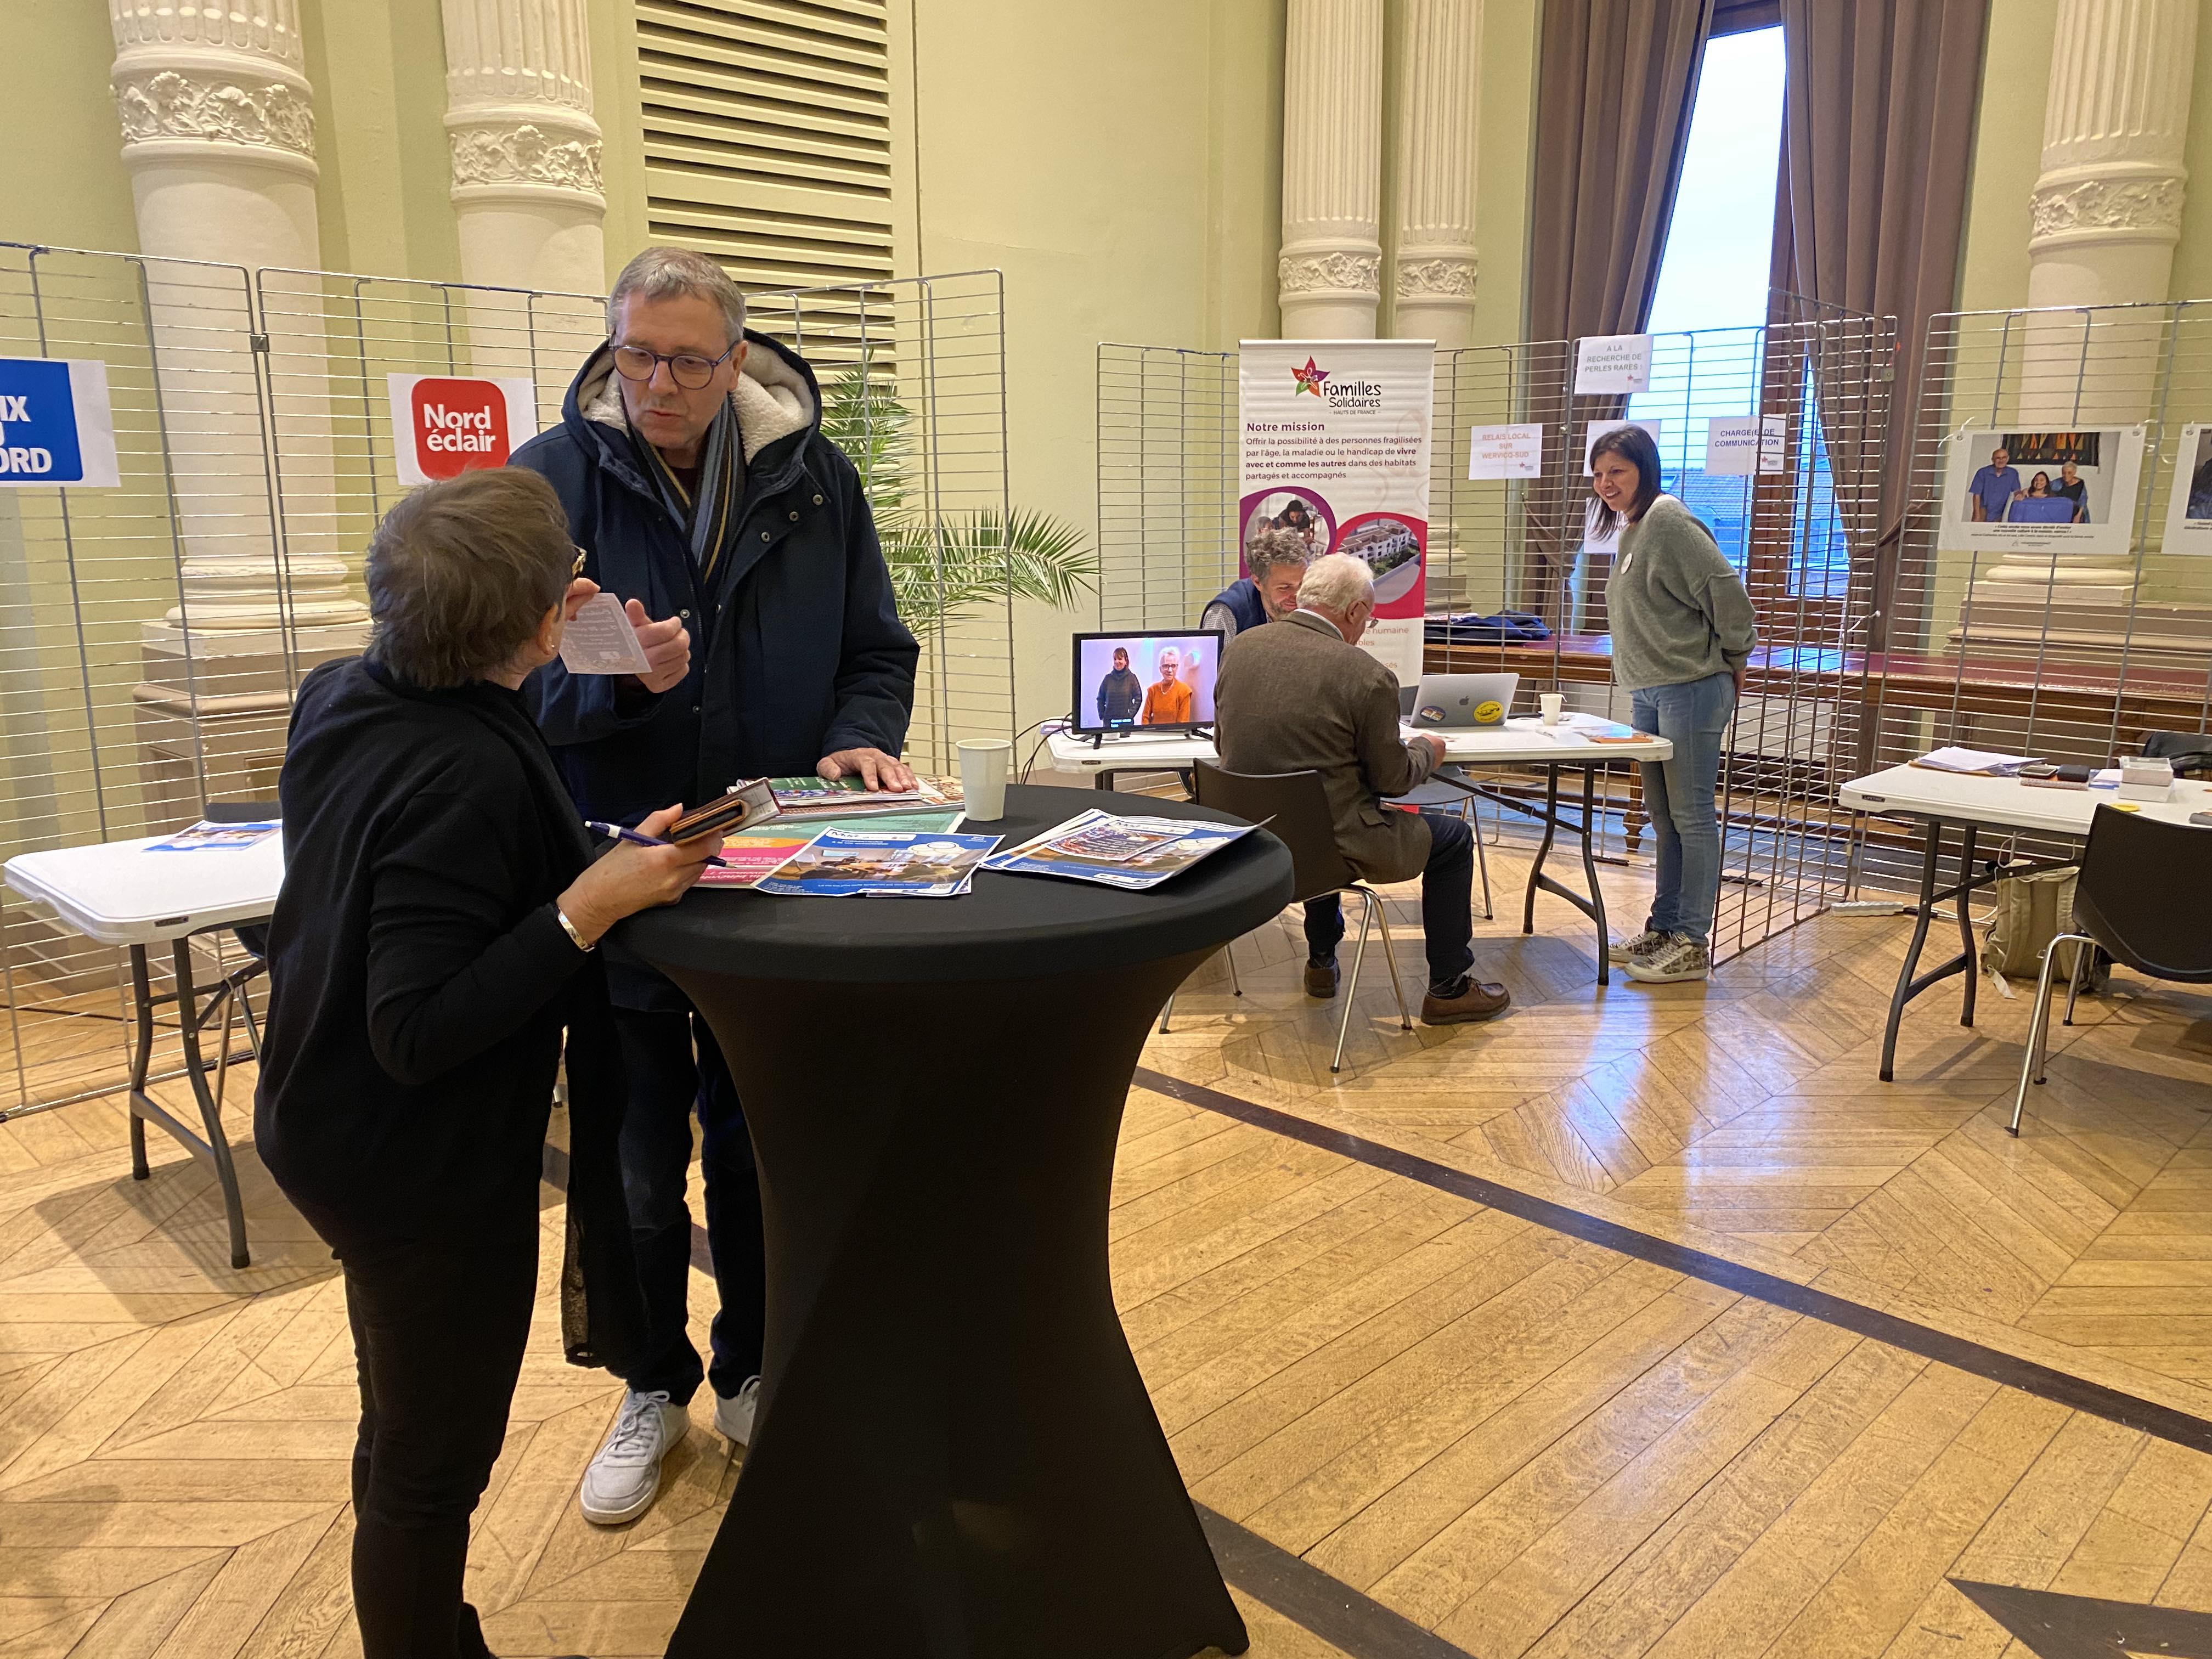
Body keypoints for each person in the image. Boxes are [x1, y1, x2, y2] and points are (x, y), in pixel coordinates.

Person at [255, 469, 724, 1659]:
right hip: (413, 1166)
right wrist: (587, 905)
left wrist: (594, 855)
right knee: (430, 1469)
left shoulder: (343, 691)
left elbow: (433, 874)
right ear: (547, 617)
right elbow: (416, 1026)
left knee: (400, 1426)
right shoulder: (462, 771)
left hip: (320, 1113)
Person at [511, 246, 919, 1525]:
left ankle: (752, 1367)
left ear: (737, 360)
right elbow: (501, 680)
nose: (661, 385)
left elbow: (875, 649)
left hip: (770, 879)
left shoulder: (814, 477)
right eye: (639, 356)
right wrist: (616, 686)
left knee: (761, 1153)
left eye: (690, 362)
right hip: (619, 873)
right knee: (636, 1167)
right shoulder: (548, 480)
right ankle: (651, 1385)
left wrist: (859, 736)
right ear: (612, 348)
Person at [1214, 552, 1511, 1025]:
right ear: (1354, 611)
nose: (1365, 629)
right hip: (1330, 846)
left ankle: (1321, 960)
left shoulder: (1240, 650)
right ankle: (1450, 988)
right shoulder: (1366, 675)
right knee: (1453, 840)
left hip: (1253, 841)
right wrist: (1428, 750)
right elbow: (1393, 780)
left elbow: (1223, 744)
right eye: (1368, 619)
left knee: (1316, 804)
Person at [1590, 424, 1757, 985]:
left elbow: (1727, 593)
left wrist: (1736, 656)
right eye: (1598, 474)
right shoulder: (1633, 528)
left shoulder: (1668, 520)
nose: (1606, 483)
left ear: (1645, 469)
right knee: (1662, 816)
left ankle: (1690, 940)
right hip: (1649, 689)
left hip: (1690, 685)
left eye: (1617, 471)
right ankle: (1664, 927)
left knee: (1691, 816)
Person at [1202, 526, 1309, 642]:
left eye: (1302, 584)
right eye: (1284, 588)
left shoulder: (1314, 605)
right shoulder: (1227, 613)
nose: (1297, 596)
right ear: (1258, 582)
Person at [1966, 444, 2022, 523]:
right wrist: (1977, 515)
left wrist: (2021, 494)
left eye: (2004, 458)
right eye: (1998, 458)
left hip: (2001, 512)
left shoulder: (2013, 473)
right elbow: (1976, 495)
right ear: (1993, 460)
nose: (2001, 461)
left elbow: (2017, 491)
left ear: (2008, 459)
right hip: (1983, 510)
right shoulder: (1982, 472)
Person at [1141, 645, 1194, 725]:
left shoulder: (1184, 691)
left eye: (1173, 666)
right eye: (1166, 666)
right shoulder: (1153, 690)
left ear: (1177, 668)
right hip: (1153, 732)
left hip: (1175, 733)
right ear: (1160, 669)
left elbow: (1182, 723)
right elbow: (1145, 717)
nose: (1169, 670)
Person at [1096, 646, 1142, 726]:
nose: (1117, 662)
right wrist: (1102, 716)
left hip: (1126, 723)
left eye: (1120, 659)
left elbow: (1138, 698)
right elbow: (1100, 699)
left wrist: (1130, 714)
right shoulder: (1107, 679)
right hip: (1109, 724)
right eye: (1115, 659)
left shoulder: (1132, 678)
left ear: (1126, 661)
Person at [2051, 459, 2090, 523]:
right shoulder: (2058, 482)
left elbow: (2083, 502)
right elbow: (2046, 486)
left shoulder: (2080, 484)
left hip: (2077, 514)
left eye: (2069, 473)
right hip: (2062, 513)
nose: (2066, 476)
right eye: (2064, 473)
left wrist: (2078, 516)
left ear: (2074, 473)